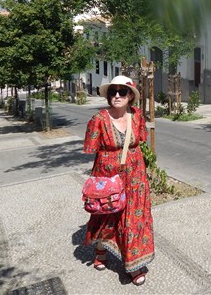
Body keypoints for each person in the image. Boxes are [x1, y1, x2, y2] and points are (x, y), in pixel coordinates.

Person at [83, 75, 154, 286]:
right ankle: (100, 250)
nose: (116, 95)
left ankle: (133, 263)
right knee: (106, 215)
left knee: (133, 218)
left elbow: (141, 140)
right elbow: (91, 148)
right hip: (107, 175)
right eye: (112, 91)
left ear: (130, 95)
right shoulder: (98, 119)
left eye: (122, 91)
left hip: (135, 176)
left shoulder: (137, 116)